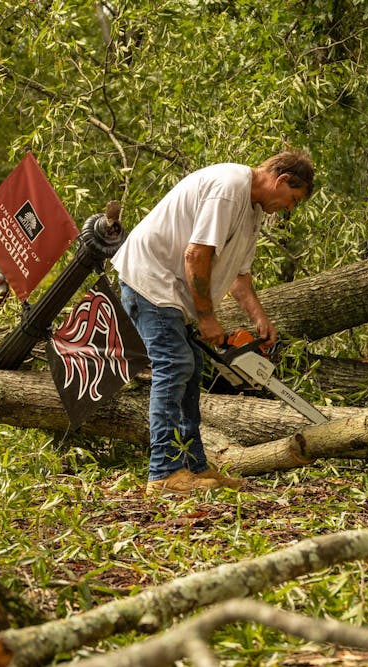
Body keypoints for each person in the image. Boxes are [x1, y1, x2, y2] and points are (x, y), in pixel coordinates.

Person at [111, 148, 314, 496]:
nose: (290, 208)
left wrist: (259, 319)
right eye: (292, 199)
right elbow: (196, 254)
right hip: (151, 281)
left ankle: (194, 465)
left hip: (170, 290)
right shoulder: (229, 187)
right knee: (174, 365)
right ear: (281, 180)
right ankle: (162, 473)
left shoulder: (252, 210)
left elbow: (239, 277)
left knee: (193, 364)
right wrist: (207, 317)